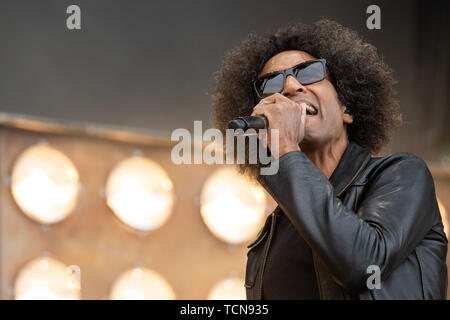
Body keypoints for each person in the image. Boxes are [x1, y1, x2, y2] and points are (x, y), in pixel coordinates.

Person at [212, 19, 448, 299]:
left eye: (309, 72)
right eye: (271, 83)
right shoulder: (274, 230)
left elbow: (362, 263)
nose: (289, 86)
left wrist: (286, 147)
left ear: (346, 107)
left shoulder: (402, 175)